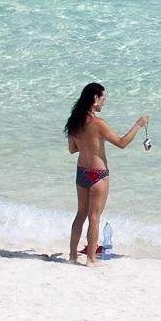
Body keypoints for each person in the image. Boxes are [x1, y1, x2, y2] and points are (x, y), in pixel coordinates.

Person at [62, 80, 145, 263]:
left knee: (80, 214)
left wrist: (87, 145)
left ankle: (73, 255)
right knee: (94, 218)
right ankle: (91, 258)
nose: (104, 102)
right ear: (94, 99)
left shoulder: (74, 121)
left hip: (82, 171)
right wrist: (139, 125)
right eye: (102, 99)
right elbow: (122, 143)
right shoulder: (99, 124)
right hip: (98, 174)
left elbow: (72, 149)